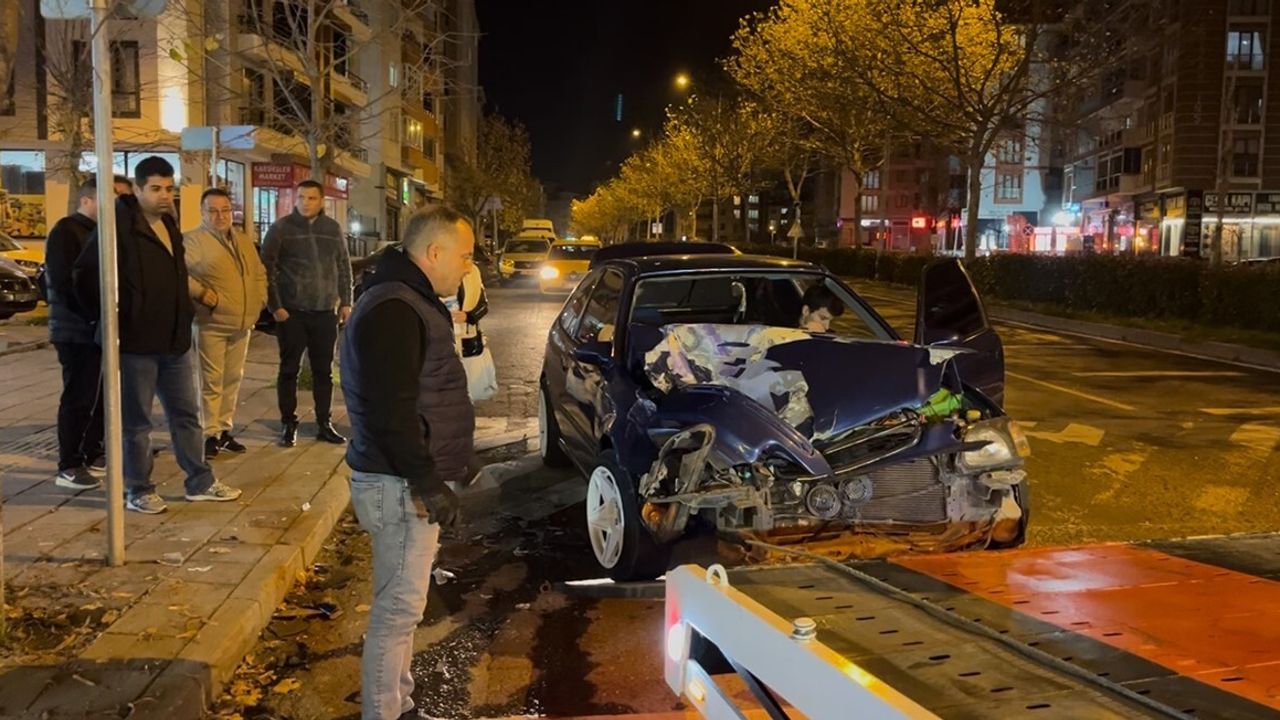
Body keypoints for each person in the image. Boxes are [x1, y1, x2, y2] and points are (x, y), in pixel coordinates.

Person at [340, 206, 476, 720]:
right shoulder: (395, 309)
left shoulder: (406, 299)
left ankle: (399, 704)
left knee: (404, 609)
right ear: (434, 252)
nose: (468, 267)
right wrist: (427, 482)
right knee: (397, 612)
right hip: (398, 484)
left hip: (402, 480)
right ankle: (385, 712)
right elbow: (390, 412)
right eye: (464, 256)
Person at [73, 156, 242, 514]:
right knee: (136, 423)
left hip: (174, 341)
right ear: (137, 189)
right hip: (135, 344)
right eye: (155, 188)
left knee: (187, 415)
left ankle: (200, 481)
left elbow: (177, 275)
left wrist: (183, 315)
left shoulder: (168, 222)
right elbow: (84, 276)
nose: (164, 195)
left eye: (168, 188)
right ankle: (138, 489)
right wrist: (115, 319)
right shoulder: (117, 227)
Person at [44, 177, 129, 490]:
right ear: (88, 200)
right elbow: (64, 283)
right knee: (79, 397)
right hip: (77, 331)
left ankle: (94, 452)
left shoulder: (103, 233)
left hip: (99, 329)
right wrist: (93, 316)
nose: (119, 206)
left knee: (102, 395)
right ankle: (69, 464)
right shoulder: (67, 231)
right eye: (114, 198)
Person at [261, 179, 352, 447]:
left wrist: (346, 302)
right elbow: (266, 269)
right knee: (289, 370)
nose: (305, 202)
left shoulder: (332, 229)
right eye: (301, 197)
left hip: (324, 312)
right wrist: (275, 306)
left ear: (321, 201)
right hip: (293, 312)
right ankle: (288, 423)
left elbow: (343, 266)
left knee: (324, 372)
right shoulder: (281, 229)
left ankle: (324, 422)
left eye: (311, 198)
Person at [184, 188, 268, 460]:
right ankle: (209, 433)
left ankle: (223, 429)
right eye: (213, 211)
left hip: (242, 322)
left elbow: (258, 272)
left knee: (232, 379)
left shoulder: (242, 240)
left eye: (225, 210)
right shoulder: (193, 241)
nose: (220, 216)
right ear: (202, 213)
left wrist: (260, 299)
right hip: (211, 322)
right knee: (211, 380)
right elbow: (178, 272)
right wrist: (200, 292)